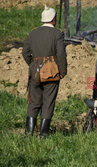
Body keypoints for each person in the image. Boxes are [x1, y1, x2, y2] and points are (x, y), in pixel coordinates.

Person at [22, 6, 67, 137]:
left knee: (34, 102)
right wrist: (62, 71)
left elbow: (25, 52)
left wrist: (32, 65)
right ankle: (43, 134)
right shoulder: (57, 34)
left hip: (34, 71)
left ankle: (28, 134)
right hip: (52, 72)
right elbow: (61, 54)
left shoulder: (33, 33)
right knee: (48, 102)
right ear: (53, 19)